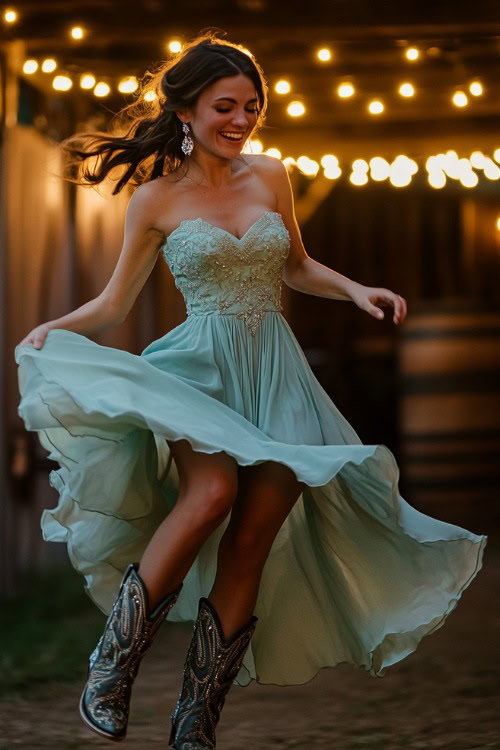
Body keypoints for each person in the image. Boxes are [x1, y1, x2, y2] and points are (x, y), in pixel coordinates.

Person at [14, 32, 487, 750]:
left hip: (277, 375)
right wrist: (53, 327)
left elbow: (296, 264)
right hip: (197, 372)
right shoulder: (155, 199)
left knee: (251, 545)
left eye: (252, 108)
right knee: (210, 495)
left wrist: (354, 289)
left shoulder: (271, 174)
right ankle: (111, 668)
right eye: (225, 107)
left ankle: (195, 720)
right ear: (186, 111)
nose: (241, 121)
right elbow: (113, 304)